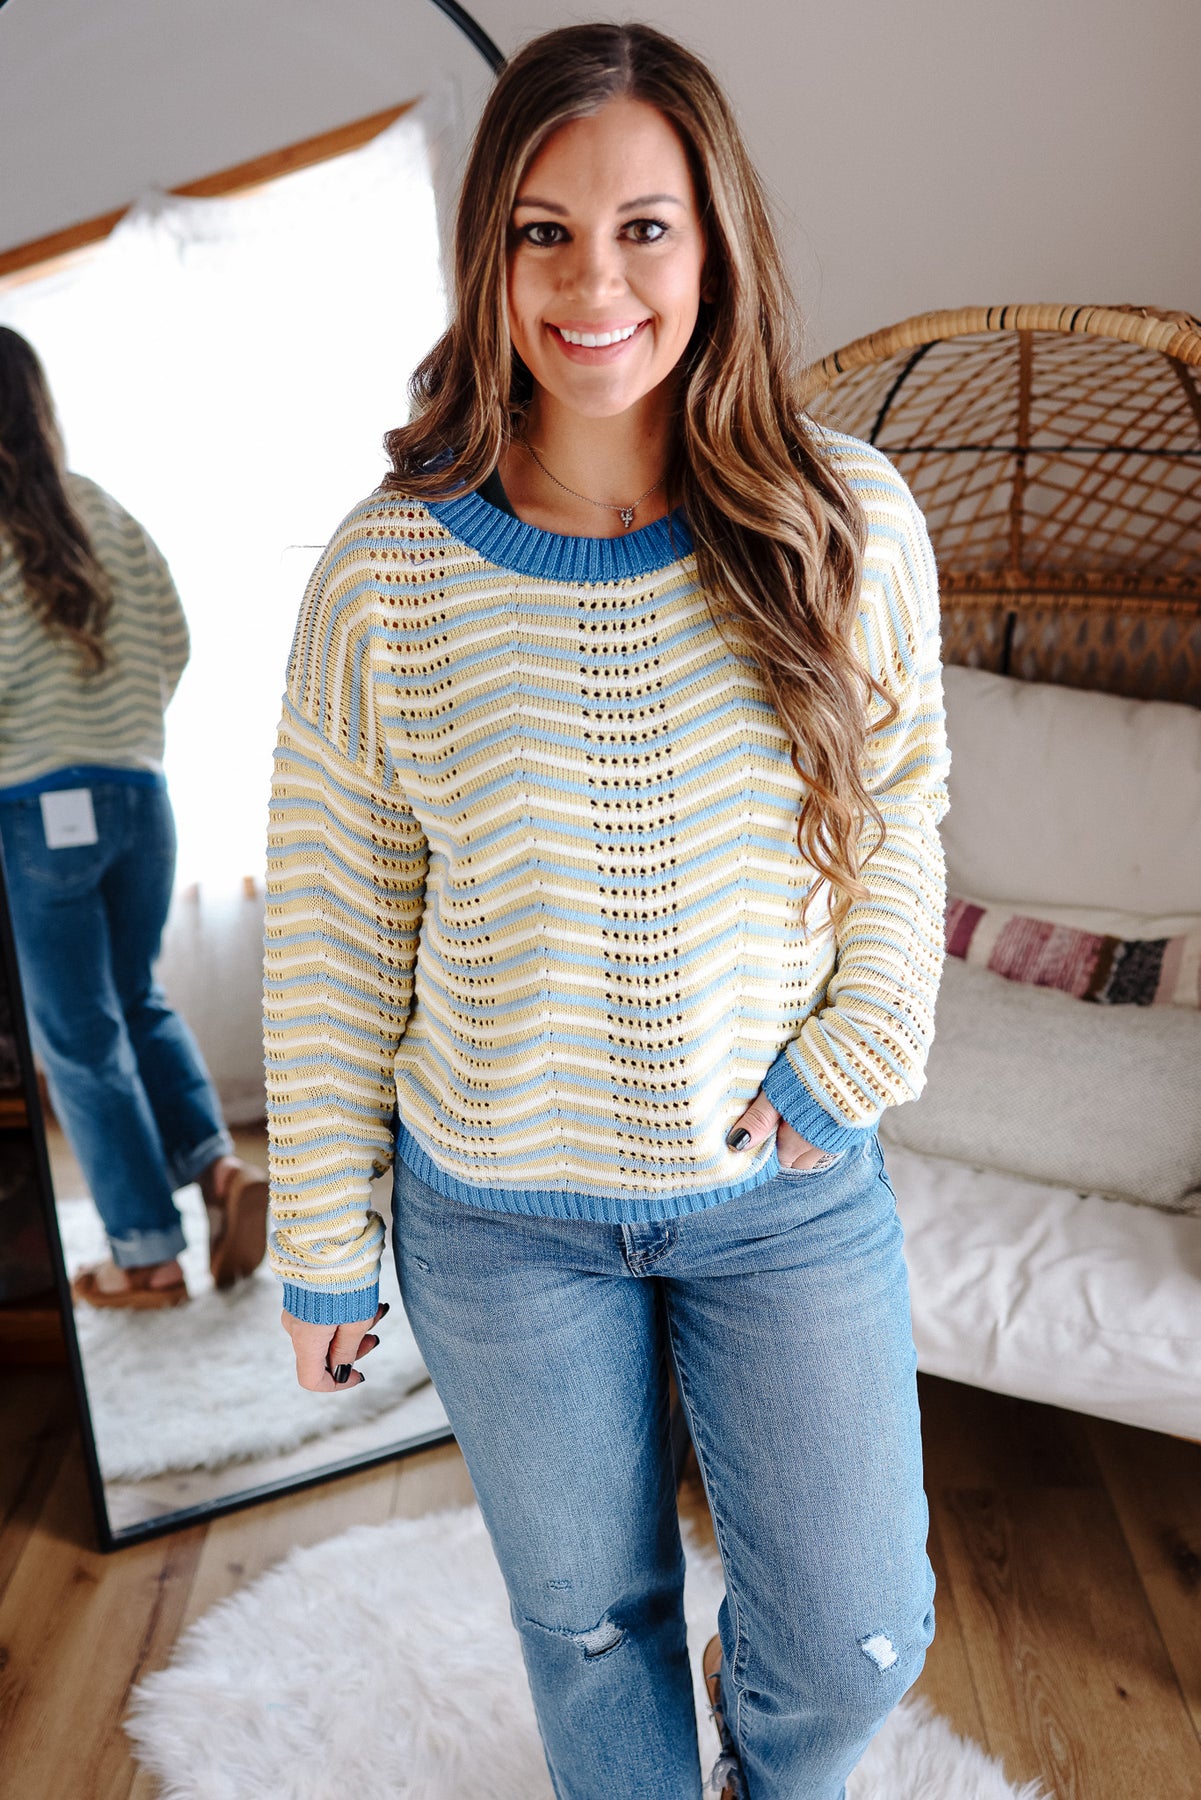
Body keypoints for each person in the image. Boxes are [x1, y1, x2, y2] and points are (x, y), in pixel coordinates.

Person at [266, 23, 949, 1799]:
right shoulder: (386, 573)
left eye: (644, 228)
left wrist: (858, 1049)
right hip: (499, 1218)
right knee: (588, 1630)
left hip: (780, 1190)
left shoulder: (845, 520)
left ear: (715, 243)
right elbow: (337, 923)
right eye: (543, 233)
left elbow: (900, 807)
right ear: (487, 252)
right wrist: (324, 1236)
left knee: (861, 1637)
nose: (593, 283)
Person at [0, 326, 268, 1311]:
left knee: (77, 1037)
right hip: (142, 796)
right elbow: (175, 640)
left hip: (38, 808)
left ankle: (147, 1257)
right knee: (135, 999)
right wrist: (117, 734)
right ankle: (219, 1173)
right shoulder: (102, 508)